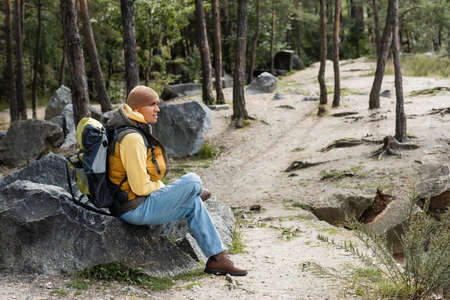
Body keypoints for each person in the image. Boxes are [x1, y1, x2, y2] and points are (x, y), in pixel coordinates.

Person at [106, 85, 247, 276]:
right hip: (133, 208)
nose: (158, 108)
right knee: (193, 181)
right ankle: (194, 191)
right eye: (152, 104)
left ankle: (217, 258)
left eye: (157, 104)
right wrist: (172, 189)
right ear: (138, 109)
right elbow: (139, 187)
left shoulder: (131, 129)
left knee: (193, 202)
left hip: (131, 204)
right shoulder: (132, 138)